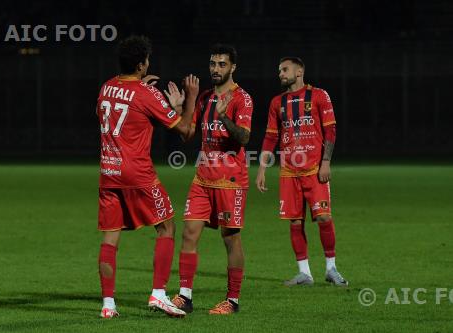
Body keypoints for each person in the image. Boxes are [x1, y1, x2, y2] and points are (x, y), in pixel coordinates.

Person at [96, 35, 199, 318]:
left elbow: (127, 111)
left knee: (109, 240)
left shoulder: (106, 88)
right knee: (166, 227)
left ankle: (108, 305)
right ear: (142, 65)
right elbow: (186, 131)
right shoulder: (146, 93)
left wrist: (148, 94)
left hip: (109, 173)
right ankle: (159, 294)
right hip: (138, 174)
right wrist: (189, 98)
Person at [171, 44, 254, 315]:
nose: (215, 69)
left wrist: (223, 117)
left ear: (232, 68)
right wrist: (180, 109)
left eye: (221, 64)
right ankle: (185, 296)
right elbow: (187, 133)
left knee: (230, 239)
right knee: (188, 234)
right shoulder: (205, 97)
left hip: (230, 179)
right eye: (212, 64)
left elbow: (243, 138)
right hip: (202, 178)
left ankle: (232, 300)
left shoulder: (242, 98)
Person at [256, 57, 348, 287]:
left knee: (324, 217)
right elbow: (270, 137)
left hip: (314, 169)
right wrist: (262, 169)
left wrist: (325, 162)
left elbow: (331, 131)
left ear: (299, 72)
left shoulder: (319, 96)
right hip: (289, 172)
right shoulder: (277, 102)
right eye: (279, 70)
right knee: (295, 222)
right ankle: (304, 273)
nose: (280, 74)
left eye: (284, 69)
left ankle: (331, 268)